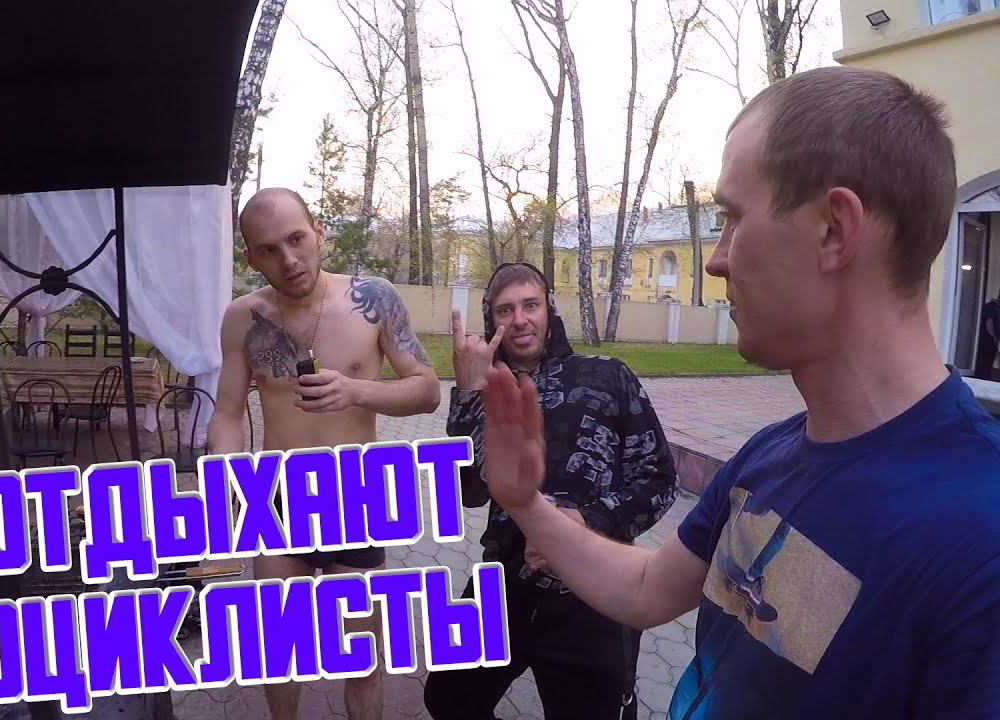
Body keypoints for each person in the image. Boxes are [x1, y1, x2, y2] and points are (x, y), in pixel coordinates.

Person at [476, 66, 1000, 718]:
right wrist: (526, 504)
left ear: (834, 230)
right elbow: (646, 589)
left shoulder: (980, 538)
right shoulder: (768, 456)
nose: (716, 258)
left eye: (732, 218)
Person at [206, 187, 441, 720]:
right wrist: (223, 481)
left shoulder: (373, 298)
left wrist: (357, 390)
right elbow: (227, 412)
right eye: (269, 250)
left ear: (319, 233)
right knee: (277, 652)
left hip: (354, 497)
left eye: (296, 239)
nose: (289, 260)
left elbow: (427, 389)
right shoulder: (242, 318)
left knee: (362, 656)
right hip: (277, 499)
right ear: (251, 258)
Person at [422, 262, 678, 720]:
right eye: (505, 310)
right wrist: (466, 391)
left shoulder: (606, 375)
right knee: (447, 697)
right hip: (506, 578)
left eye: (530, 305)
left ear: (549, 310)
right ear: (492, 322)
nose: (520, 319)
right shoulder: (488, 391)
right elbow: (466, 492)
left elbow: (658, 478)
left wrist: (586, 523)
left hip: (596, 587)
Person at [975, 293, 1000, 380]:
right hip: (990, 345)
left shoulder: (985, 307)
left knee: (980, 369)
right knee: (985, 372)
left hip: (978, 343)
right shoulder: (997, 311)